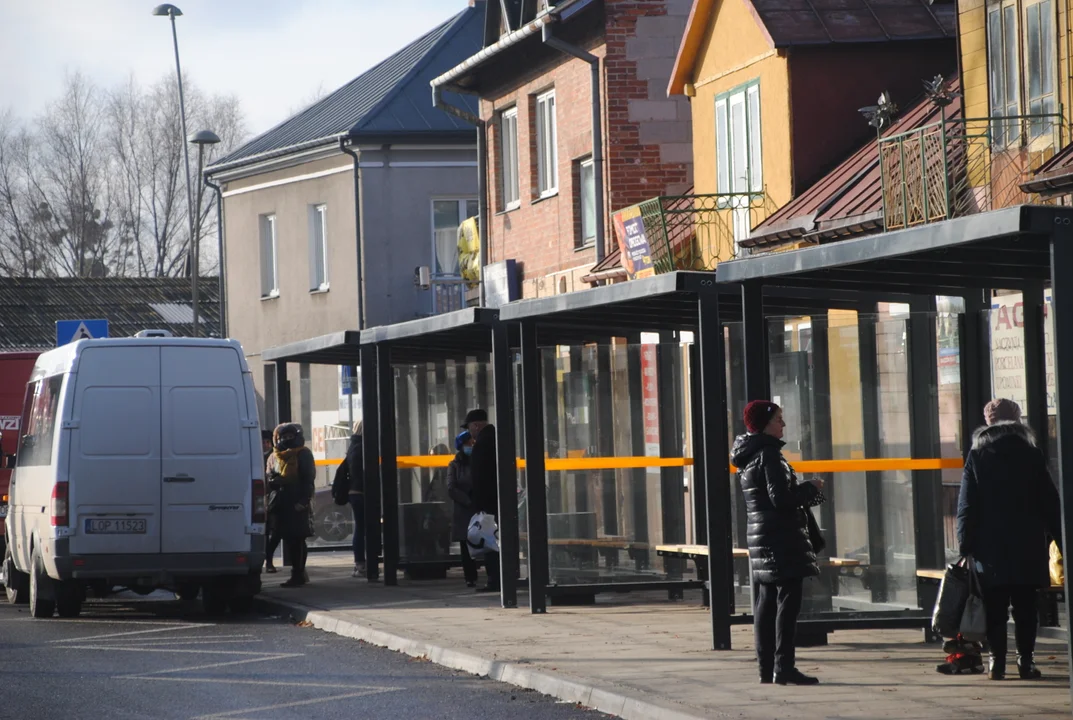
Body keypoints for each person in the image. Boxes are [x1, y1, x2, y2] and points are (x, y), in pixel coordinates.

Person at [957, 398, 1062, 681]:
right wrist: (1061, 540)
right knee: (1026, 607)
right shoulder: (1031, 454)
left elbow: (966, 506)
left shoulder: (978, 456)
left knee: (994, 607)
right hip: (1027, 543)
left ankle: (997, 663)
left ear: (989, 422)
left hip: (989, 547)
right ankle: (1025, 662)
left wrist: (964, 545)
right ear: (1016, 421)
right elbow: (1050, 502)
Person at [732, 400, 825, 686]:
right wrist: (811, 488)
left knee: (766, 602)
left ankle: (766, 669)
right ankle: (783, 667)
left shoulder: (749, 454)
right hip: (781, 540)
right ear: (764, 424)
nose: (783, 425)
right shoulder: (769, 454)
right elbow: (781, 500)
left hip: (764, 538)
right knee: (787, 602)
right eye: (779, 420)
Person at [265, 423, 316, 588]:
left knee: (298, 539)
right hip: (281, 502)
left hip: (297, 502)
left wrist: (303, 501)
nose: (286, 440)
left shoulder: (303, 454)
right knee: (285, 538)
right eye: (283, 437)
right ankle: (297, 573)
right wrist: (274, 481)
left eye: (290, 437)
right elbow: (270, 477)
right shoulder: (276, 455)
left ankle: (298, 574)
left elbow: (308, 479)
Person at [465, 408, 500, 593]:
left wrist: (478, 504)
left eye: (470, 427)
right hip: (498, 500)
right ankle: (501, 578)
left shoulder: (482, 444)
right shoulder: (496, 438)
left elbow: (479, 477)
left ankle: (494, 580)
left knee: (489, 542)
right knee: (497, 540)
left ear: (476, 425)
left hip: (487, 503)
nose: (470, 432)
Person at [447, 431, 479, 587]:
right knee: (466, 547)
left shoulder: (478, 461)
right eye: (468, 443)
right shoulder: (455, 465)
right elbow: (451, 488)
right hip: (464, 510)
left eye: (472, 443)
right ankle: (470, 576)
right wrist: (467, 501)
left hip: (478, 508)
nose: (471, 446)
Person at [346, 421, 365, 579]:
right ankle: (361, 564)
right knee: (362, 528)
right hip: (361, 492)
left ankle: (360, 563)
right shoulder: (361, 447)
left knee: (361, 527)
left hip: (355, 492)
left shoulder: (353, 446)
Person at [262, 430, 282, 574]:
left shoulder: (276, 457)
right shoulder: (255, 455)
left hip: (273, 498)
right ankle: (267, 560)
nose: (265, 445)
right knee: (264, 531)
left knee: (275, 531)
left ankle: (269, 559)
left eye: (267, 442)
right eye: (263, 442)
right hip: (261, 499)